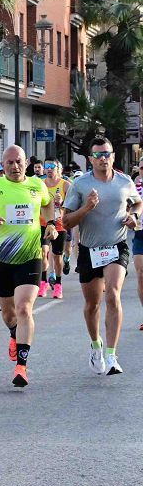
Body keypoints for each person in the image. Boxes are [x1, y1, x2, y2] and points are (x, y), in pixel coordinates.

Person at [0, 145, 56, 387]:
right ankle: (13, 334)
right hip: (0, 258)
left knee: (24, 308)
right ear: (2, 165)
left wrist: (50, 222)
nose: (15, 166)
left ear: (26, 162)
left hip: (30, 255)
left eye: (19, 161)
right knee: (9, 314)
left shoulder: (37, 185)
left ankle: (21, 366)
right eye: (9, 162)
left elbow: (48, 203)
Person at [61, 138, 142, 374]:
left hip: (116, 246)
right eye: (98, 155)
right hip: (89, 249)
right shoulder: (80, 185)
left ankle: (112, 355)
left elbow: (138, 204)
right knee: (92, 304)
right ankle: (96, 345)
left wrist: (134, 217)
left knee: (113, 295)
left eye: (107, 154)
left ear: (113, 156)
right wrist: (86, 208)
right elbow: (66, 221)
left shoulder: (125, 182)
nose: (103, 158)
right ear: (90, 160)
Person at [41, 157, 70, 298]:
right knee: (43, 252)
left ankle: (58, 284)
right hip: (43, 223)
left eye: (53, 166)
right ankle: (43, 282)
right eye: (47, 166)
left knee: (58, 257)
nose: (50, 169)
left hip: (59, 225)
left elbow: (73, 205)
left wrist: (62, 201)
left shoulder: (66, 185)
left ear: (59, 169)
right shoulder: (40, 184)